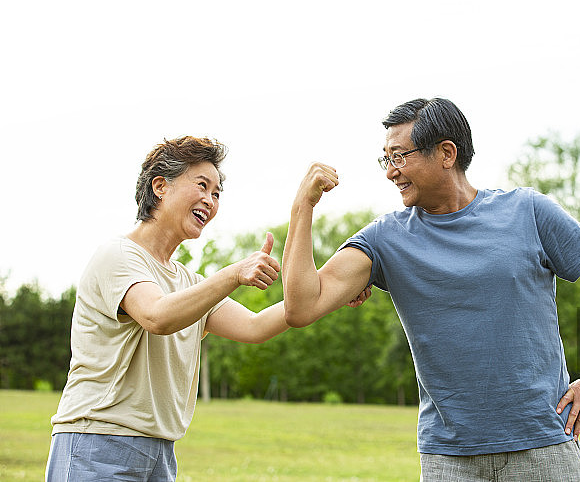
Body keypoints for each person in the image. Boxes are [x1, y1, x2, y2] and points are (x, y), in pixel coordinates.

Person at [282, 98, 580, 481]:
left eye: (399, 156)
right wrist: (302, 206)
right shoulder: (384, 239)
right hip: (448, 460)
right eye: (385, 159)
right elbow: (301, 308)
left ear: (446, 153)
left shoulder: (527, 212)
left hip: (544, 448)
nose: (390, 172)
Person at [46, 136, 368, 482]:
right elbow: (157, 316)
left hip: (159, 451)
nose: (210, 201)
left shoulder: (187, 282)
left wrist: (332, 291)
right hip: (98, 442)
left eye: (216, 194)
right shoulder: (118, 255)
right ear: (160, 186)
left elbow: (256, 326)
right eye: (202, 186)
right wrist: (233, 274)